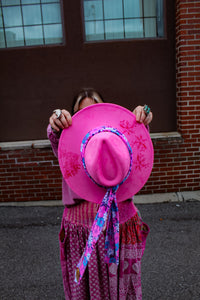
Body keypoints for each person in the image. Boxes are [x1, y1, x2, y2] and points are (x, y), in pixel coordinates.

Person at [47, 88, 153, 300]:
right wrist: (56, 120)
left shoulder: (122, 141)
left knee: (124, 292)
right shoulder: (67, 143)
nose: (90, 118)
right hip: (81, 233)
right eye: (81, 113)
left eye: (94, 110)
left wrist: (144, 116)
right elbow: (54, 133)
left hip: (122, 229)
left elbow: (139, 134)